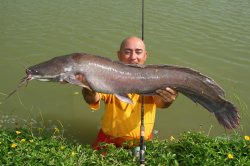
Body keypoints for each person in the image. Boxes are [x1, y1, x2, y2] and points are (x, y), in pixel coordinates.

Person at [76, 36, 178, 150]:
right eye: (127, 52)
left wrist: (168, 98)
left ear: (145, 55)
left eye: (138, 52)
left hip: (141, 140)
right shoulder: (107, 76)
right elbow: (92, 99)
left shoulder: (155, 79)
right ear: (119, 55)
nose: (133, 57)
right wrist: (87, 86)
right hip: (108, 138)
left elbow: (162, 104)